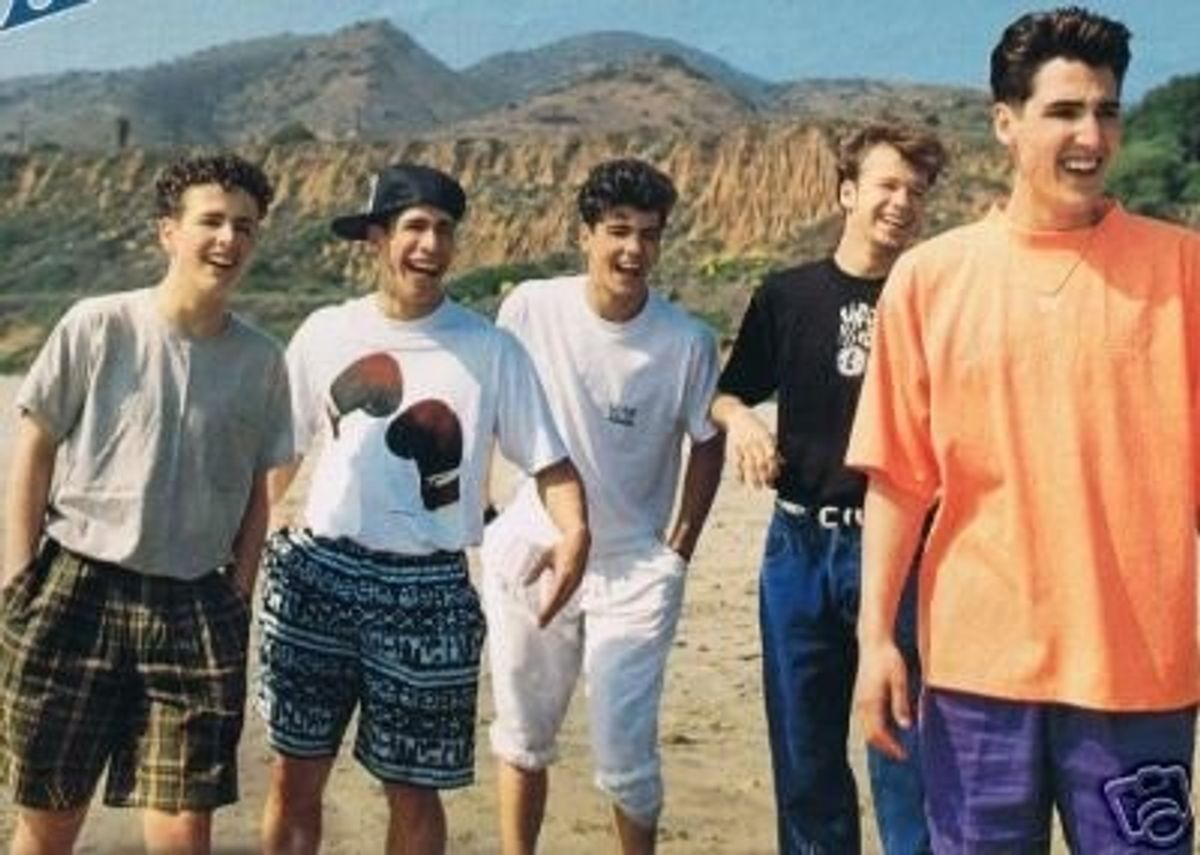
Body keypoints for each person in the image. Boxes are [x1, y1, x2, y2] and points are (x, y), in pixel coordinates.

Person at [849, 8, 1200, 853]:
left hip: (1139, 674)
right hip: (978, 675)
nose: (1091, 136)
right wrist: (874, 638)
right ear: (1005, 123)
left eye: (1106, 111)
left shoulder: (1183, 269)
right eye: (1064, 111)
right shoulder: (930, 279)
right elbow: (899, 479)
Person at [258, 162, 589, 855]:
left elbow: (550, 463)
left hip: (429, 583)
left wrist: (576, 531)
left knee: (413, 787)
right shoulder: (326, 331)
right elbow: (279, 456)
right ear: (376, 238)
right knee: (295, 775)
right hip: (319, 571)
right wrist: (238, 550)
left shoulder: (490, 349)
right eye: (414, 227)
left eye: (443, 229)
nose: (430, 244)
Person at [0, 153, 290, 855]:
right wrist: (17, 576)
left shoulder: (261, 359)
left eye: (245, 226)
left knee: (185, 827)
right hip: (77, 589)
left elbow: (261, 487)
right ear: (169, 231)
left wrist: (237, 592)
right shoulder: (99, 325)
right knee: (50, 815)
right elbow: (34, 448)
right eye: (211, 221)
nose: (228, 239)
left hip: (195, 603)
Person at [711, 123, 946, 854]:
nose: (902, 203)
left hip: (903, 548)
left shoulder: (934, 297)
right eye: (887, 185)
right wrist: (741, 421)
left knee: (907, 756)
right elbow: (727, 390)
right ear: (847, 192)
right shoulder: (787, 295)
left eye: (916, 191)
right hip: (800, 546)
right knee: (804, 756)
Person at [481, 158, 724, 855]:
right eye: (618, 230)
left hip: (633, 568)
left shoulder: (686, 341)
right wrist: (491, 515)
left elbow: (706, 441)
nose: (633, 249)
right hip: (532, 549)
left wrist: (677, 550)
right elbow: (491, 406)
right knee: (523, 736)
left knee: (627, 755)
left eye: (648, 234)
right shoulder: (530, 307)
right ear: (585, 234)